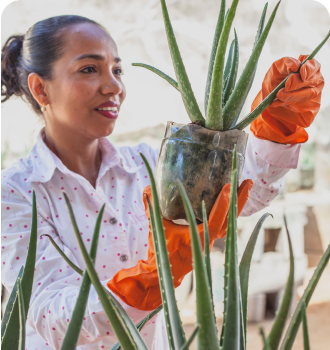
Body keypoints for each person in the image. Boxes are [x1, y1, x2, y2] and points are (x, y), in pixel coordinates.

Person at [0, 15, 324, 350]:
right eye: (88, 69)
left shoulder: (146, 162)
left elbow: (241, 196)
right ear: (41, 88)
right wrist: (149, 278)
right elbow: (49, 315)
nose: (114, 86)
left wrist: (276, 129)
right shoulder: (15, 192)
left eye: (117, 70)